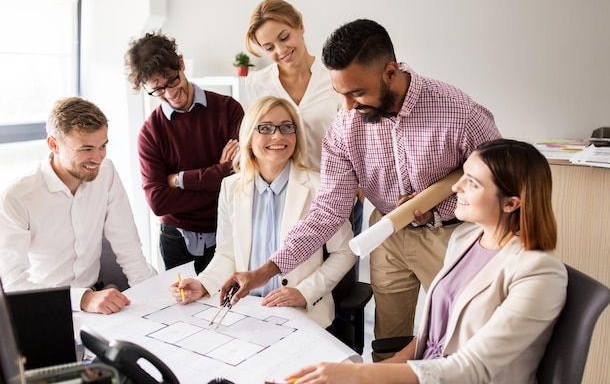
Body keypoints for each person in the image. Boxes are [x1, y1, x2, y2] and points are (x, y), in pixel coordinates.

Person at [220, 19, 502, 360]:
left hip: (451, 234)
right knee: (388, 343)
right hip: (387, 233)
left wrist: (444, 201)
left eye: (356, 93)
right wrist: (265, 271)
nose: (349, 107)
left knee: (468, 333)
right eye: (341, 94)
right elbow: (327, 211)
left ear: (390, 72)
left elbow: (500, 178)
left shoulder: (457, 111)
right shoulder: (345, 126)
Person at [285, 139, 568, 384]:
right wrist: (376, 371)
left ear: (511, 203)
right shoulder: (466, 238)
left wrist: (358, 377)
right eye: (463, 176)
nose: (455, 187)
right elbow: (430, 337)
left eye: (472, 182)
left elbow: (474, 368)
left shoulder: (538, 272)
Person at [170, 96, 356, 328]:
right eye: (265, 128)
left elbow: (346, 252)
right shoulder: (231, 187)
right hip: (246, 313)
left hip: (301, 314)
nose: (278, 136)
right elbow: (227, 255)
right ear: (249, 137)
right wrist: (203, 284)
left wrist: (303, 292)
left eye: (287, 127)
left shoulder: (319, 187)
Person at [0, 97, 157, 315]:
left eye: (103, 146)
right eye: (86, 149)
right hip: (45, 305)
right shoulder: (16, 199)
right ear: (53, 145)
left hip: (97, 299)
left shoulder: (106, 173)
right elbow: (10, 283)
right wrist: (83, 299)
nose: (98, 158)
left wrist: (154, 297)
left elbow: (127, 244)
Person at [125, 31, 245, 273]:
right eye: (158, 90)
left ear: (180, 63)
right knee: (181, 308)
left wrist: (180, 180)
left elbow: (241, 174)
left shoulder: (228, 109)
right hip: (176, 240)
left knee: (230, 306)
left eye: (172, 80)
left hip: (227, 230)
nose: (170, 94)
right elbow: (158, 202)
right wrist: (218, 177)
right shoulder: (150, 133)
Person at [244, 0, 364, 236]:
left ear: (300, 26)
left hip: (338, 196)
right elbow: (259, 141)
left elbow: (358, 136)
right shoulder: (258, 84)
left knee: (341, 268)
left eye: (284, 37)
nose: (280, 51)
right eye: (269, 48)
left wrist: (360, 183)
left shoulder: (334, 76)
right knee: (289, 271)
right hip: (286, 200)